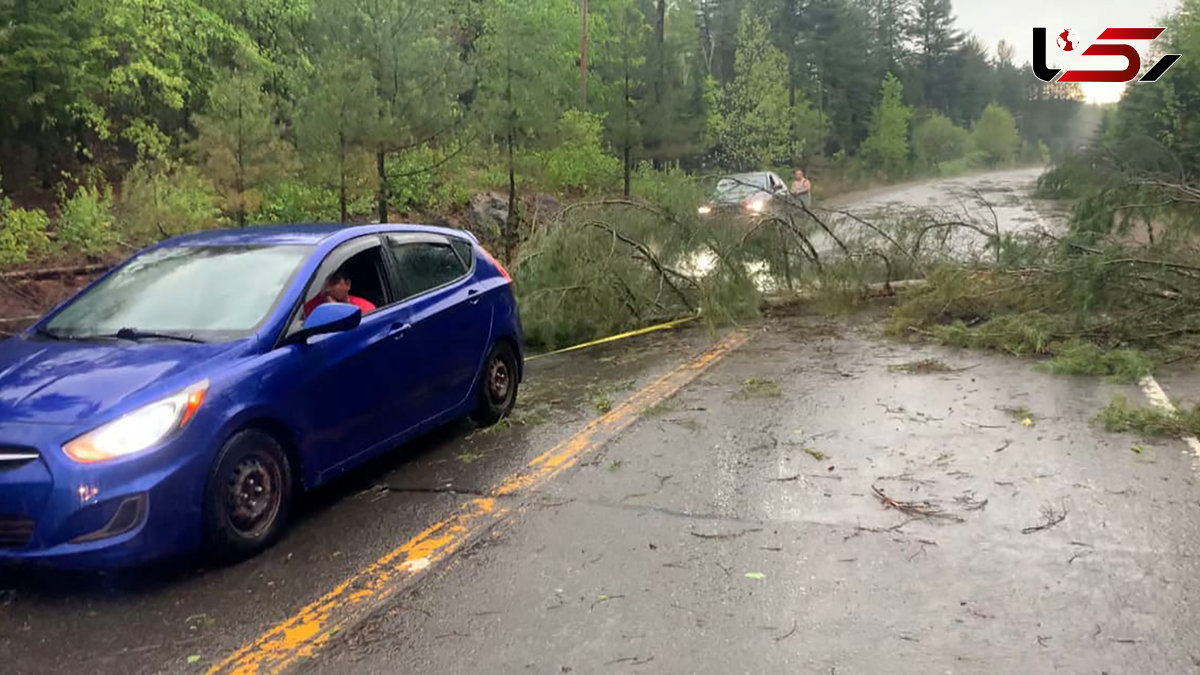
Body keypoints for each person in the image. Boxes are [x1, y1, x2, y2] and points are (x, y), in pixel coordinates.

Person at [303, 269, 375, 317]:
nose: (327, 289)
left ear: (347, 284)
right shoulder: (310, 307)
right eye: (323, 284)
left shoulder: (363, 308)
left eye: (334, 282)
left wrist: (335, 309)